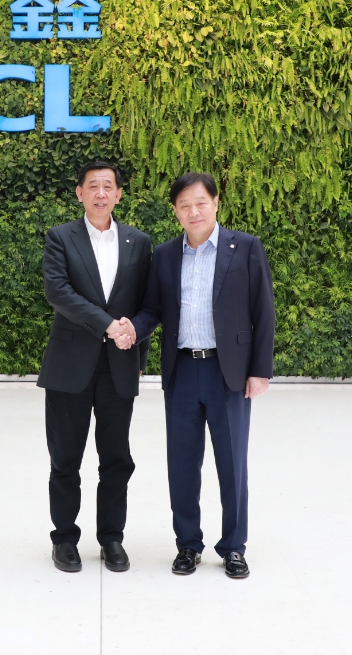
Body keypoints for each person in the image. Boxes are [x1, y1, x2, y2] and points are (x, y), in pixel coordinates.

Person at [118, 171, 274, 579]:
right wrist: (133, 328)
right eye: (184, 205)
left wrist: (259, 371)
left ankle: (234, 547)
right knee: (182, 463)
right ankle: (188, 544)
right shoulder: (166, 255)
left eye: (201, 202)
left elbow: (264, 311)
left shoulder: (246, 247)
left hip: (229, 373)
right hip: (183, 370)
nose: (194, 211)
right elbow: (153, 309)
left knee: (232, 464)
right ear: (175, 211)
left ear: (216, 203)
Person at [37, 161, 153, 573]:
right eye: (93, 186)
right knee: (65, 459)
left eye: (108, 186)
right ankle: (65, 539)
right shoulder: (60, 237)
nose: (100, 193)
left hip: (119, 367)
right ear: (80, 193)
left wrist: (138, 358)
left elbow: (145, 304)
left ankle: (112, 538)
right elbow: (59, 292)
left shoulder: (139, 242)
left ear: (119, 194)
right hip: (69, 367)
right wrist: (108, 325)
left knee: (117, 458)